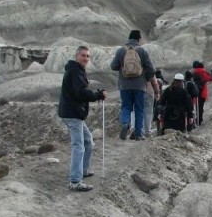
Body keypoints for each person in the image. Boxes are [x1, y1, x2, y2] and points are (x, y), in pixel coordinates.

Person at [57, 46, 106, 191]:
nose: (85, 58)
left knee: (88, 141)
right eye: (83, 55)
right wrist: (98, 95)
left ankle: (83, 171)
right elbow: (80, 93)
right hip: (72, 113)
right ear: (77, 56)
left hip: (74, 113)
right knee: (78, 146)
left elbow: (79, 92)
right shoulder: (75, 71)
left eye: (87, 56)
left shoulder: (77, 71)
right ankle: (75, 180)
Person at [110, 29, 160, 141]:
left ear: (129, 38)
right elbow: (152, 69)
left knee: (126, 107)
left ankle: (125, 123)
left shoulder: (121, 51)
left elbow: (113, 66)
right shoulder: (142, 51)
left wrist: (122, 68)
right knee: (139, 109)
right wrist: (145, 78)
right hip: (139, 86)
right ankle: (138, 134)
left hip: (124, 85)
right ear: (139, 39)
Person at [191, 60, 212, 127]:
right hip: (202, 93)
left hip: (193, 93)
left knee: (195, 107)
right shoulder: (203, 72)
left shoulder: (193, 73)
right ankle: (199, 121)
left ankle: (195, 121)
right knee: (200, 107)